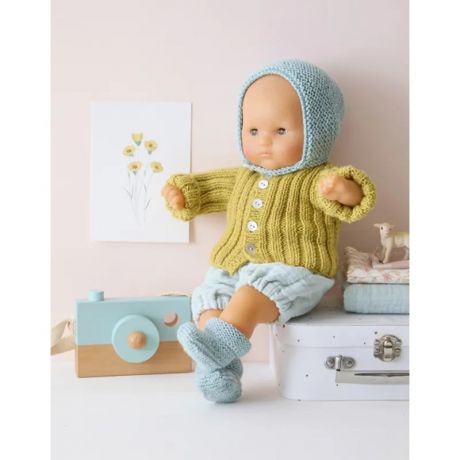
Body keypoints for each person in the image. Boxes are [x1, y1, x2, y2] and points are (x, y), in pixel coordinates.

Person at [162, 60, 376, 403]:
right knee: (210, 300)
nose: (264, 142)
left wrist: (343, 190)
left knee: (249, 296)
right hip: (233, 267)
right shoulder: (242, 177)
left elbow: (356, 198)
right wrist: (184, 194)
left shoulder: (316, 179)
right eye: (253, 131)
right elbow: (204, 189)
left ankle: (214, 352)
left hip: (295, 272)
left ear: (318, 132)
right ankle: (218, 374)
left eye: (280, 131)